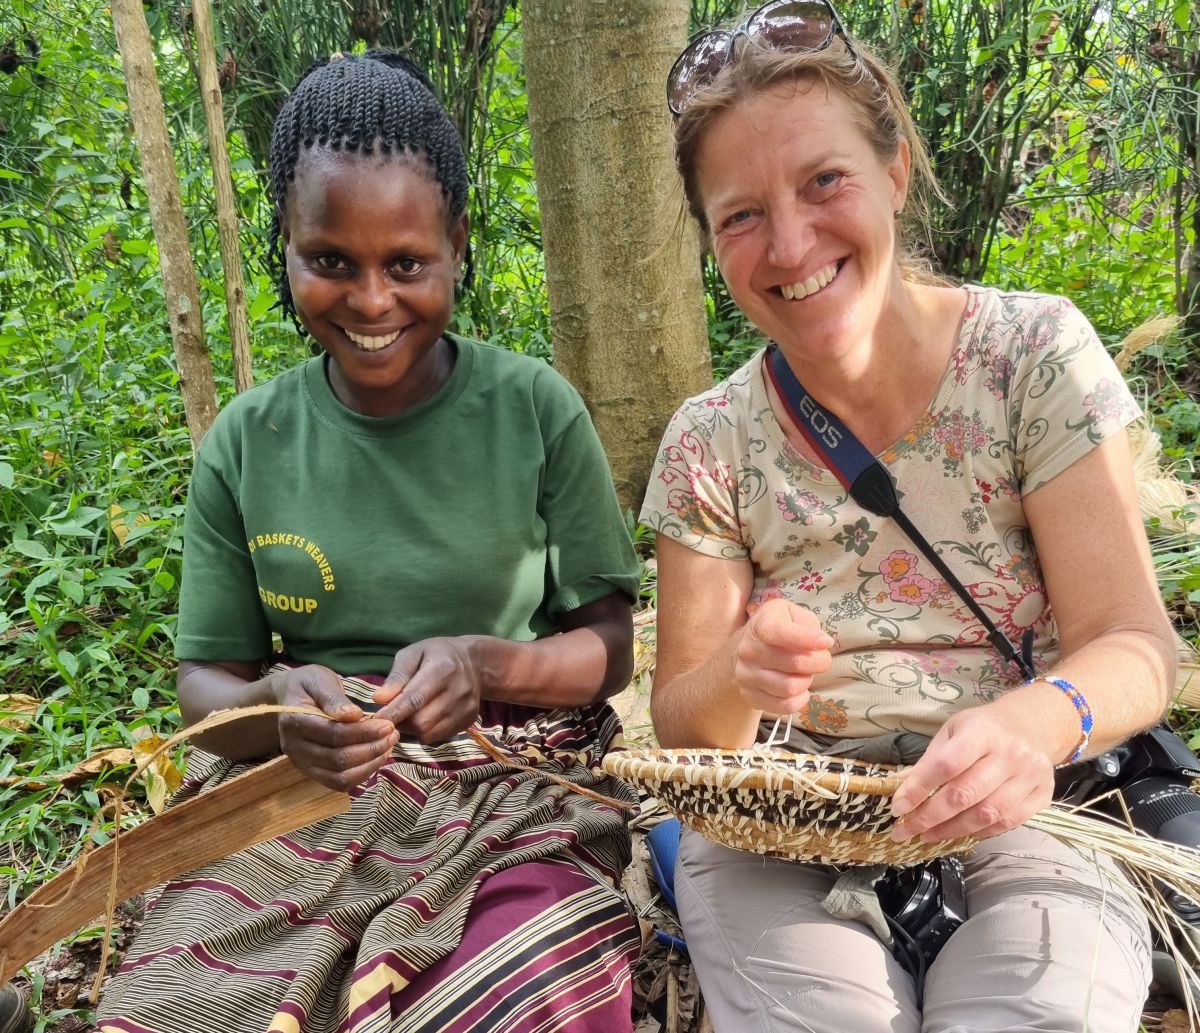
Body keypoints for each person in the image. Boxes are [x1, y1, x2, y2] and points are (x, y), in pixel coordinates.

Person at [641, 3, 1179, 1032]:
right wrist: (740, 673)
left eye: (824, 181)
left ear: (893, 172)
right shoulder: (708, 441)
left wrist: (1027, 725)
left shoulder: (1032, 359)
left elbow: (1138, 646)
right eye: (740, 215)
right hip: (786, 826)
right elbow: (683, 730)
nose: (790, 242)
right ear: (711, 242)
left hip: (1033, 803)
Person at [96, 51, 642, 1033]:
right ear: (288, 249)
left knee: (519, 997)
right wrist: (273, 704)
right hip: (301, 795)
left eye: (407, 264)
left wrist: (486, 661)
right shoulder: (248, 444)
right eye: (331, 261)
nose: (373, 301)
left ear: (457, 248)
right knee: (167, 1011)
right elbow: (206, 689)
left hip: (511, 785)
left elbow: (609, 646)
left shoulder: (533, 412)